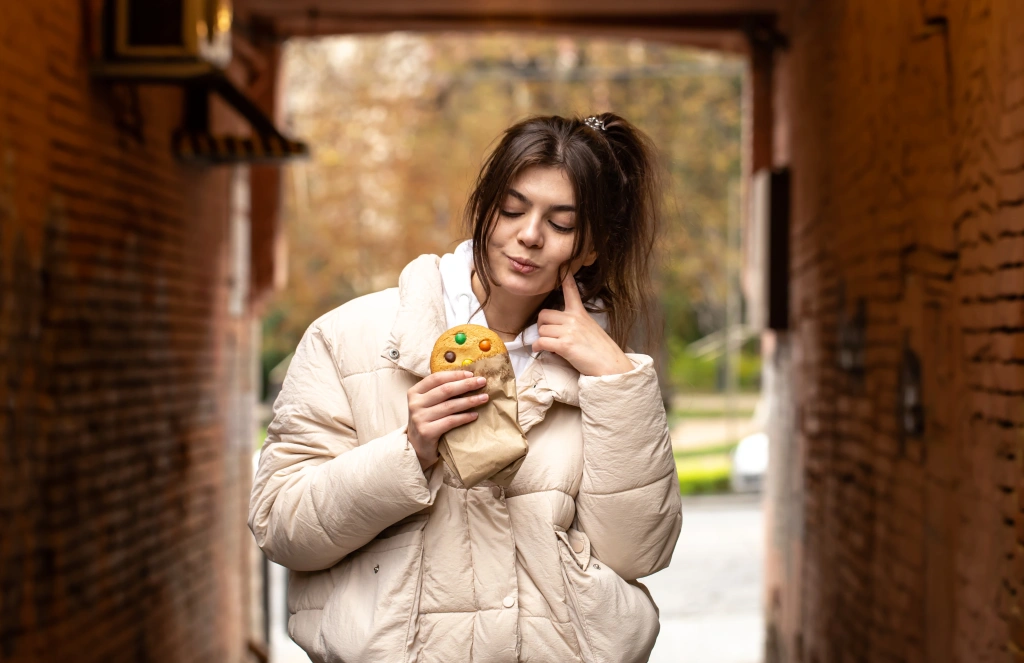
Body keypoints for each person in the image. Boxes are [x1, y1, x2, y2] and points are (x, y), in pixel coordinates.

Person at [249, 113, 682, 663]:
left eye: (562, 222)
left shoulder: (603, 372)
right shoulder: (349, 338)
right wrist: (408, 452)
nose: (529, 235)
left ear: (591, 247)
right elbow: (280, 526)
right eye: (512, 210)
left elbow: (639, 551)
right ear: (483, 206)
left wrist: (616, 382)